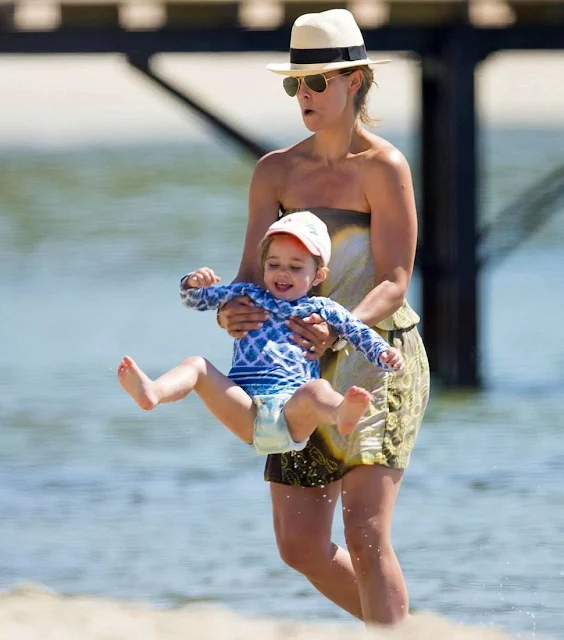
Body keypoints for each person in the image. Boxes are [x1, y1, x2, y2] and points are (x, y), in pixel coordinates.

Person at [216, 8, 430, 626]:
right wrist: (233, 306)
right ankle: (400, 631)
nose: (304, 95)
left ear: (355, 81)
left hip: (378, 362)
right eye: (295, 84)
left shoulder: (384, 168)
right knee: (300, 546)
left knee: (365, 536)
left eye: (318, 82)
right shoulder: (275, 171)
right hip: (295, 369)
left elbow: (394, 278)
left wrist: (337, 324)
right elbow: (252, 276)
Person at [117, 211, 405, 455]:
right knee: (197, 365)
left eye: (295, 267)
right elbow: (197, 301)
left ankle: (341, 413)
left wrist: (384, 354)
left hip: (292, 408)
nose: (282, 273)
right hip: (242, 403)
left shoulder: (322, 309)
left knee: (316, 390)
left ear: (318, 275)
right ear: (263, 265)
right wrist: (193, 284)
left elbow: (357, 333)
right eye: (274, 264)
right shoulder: (247, 294)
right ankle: (154, 392)